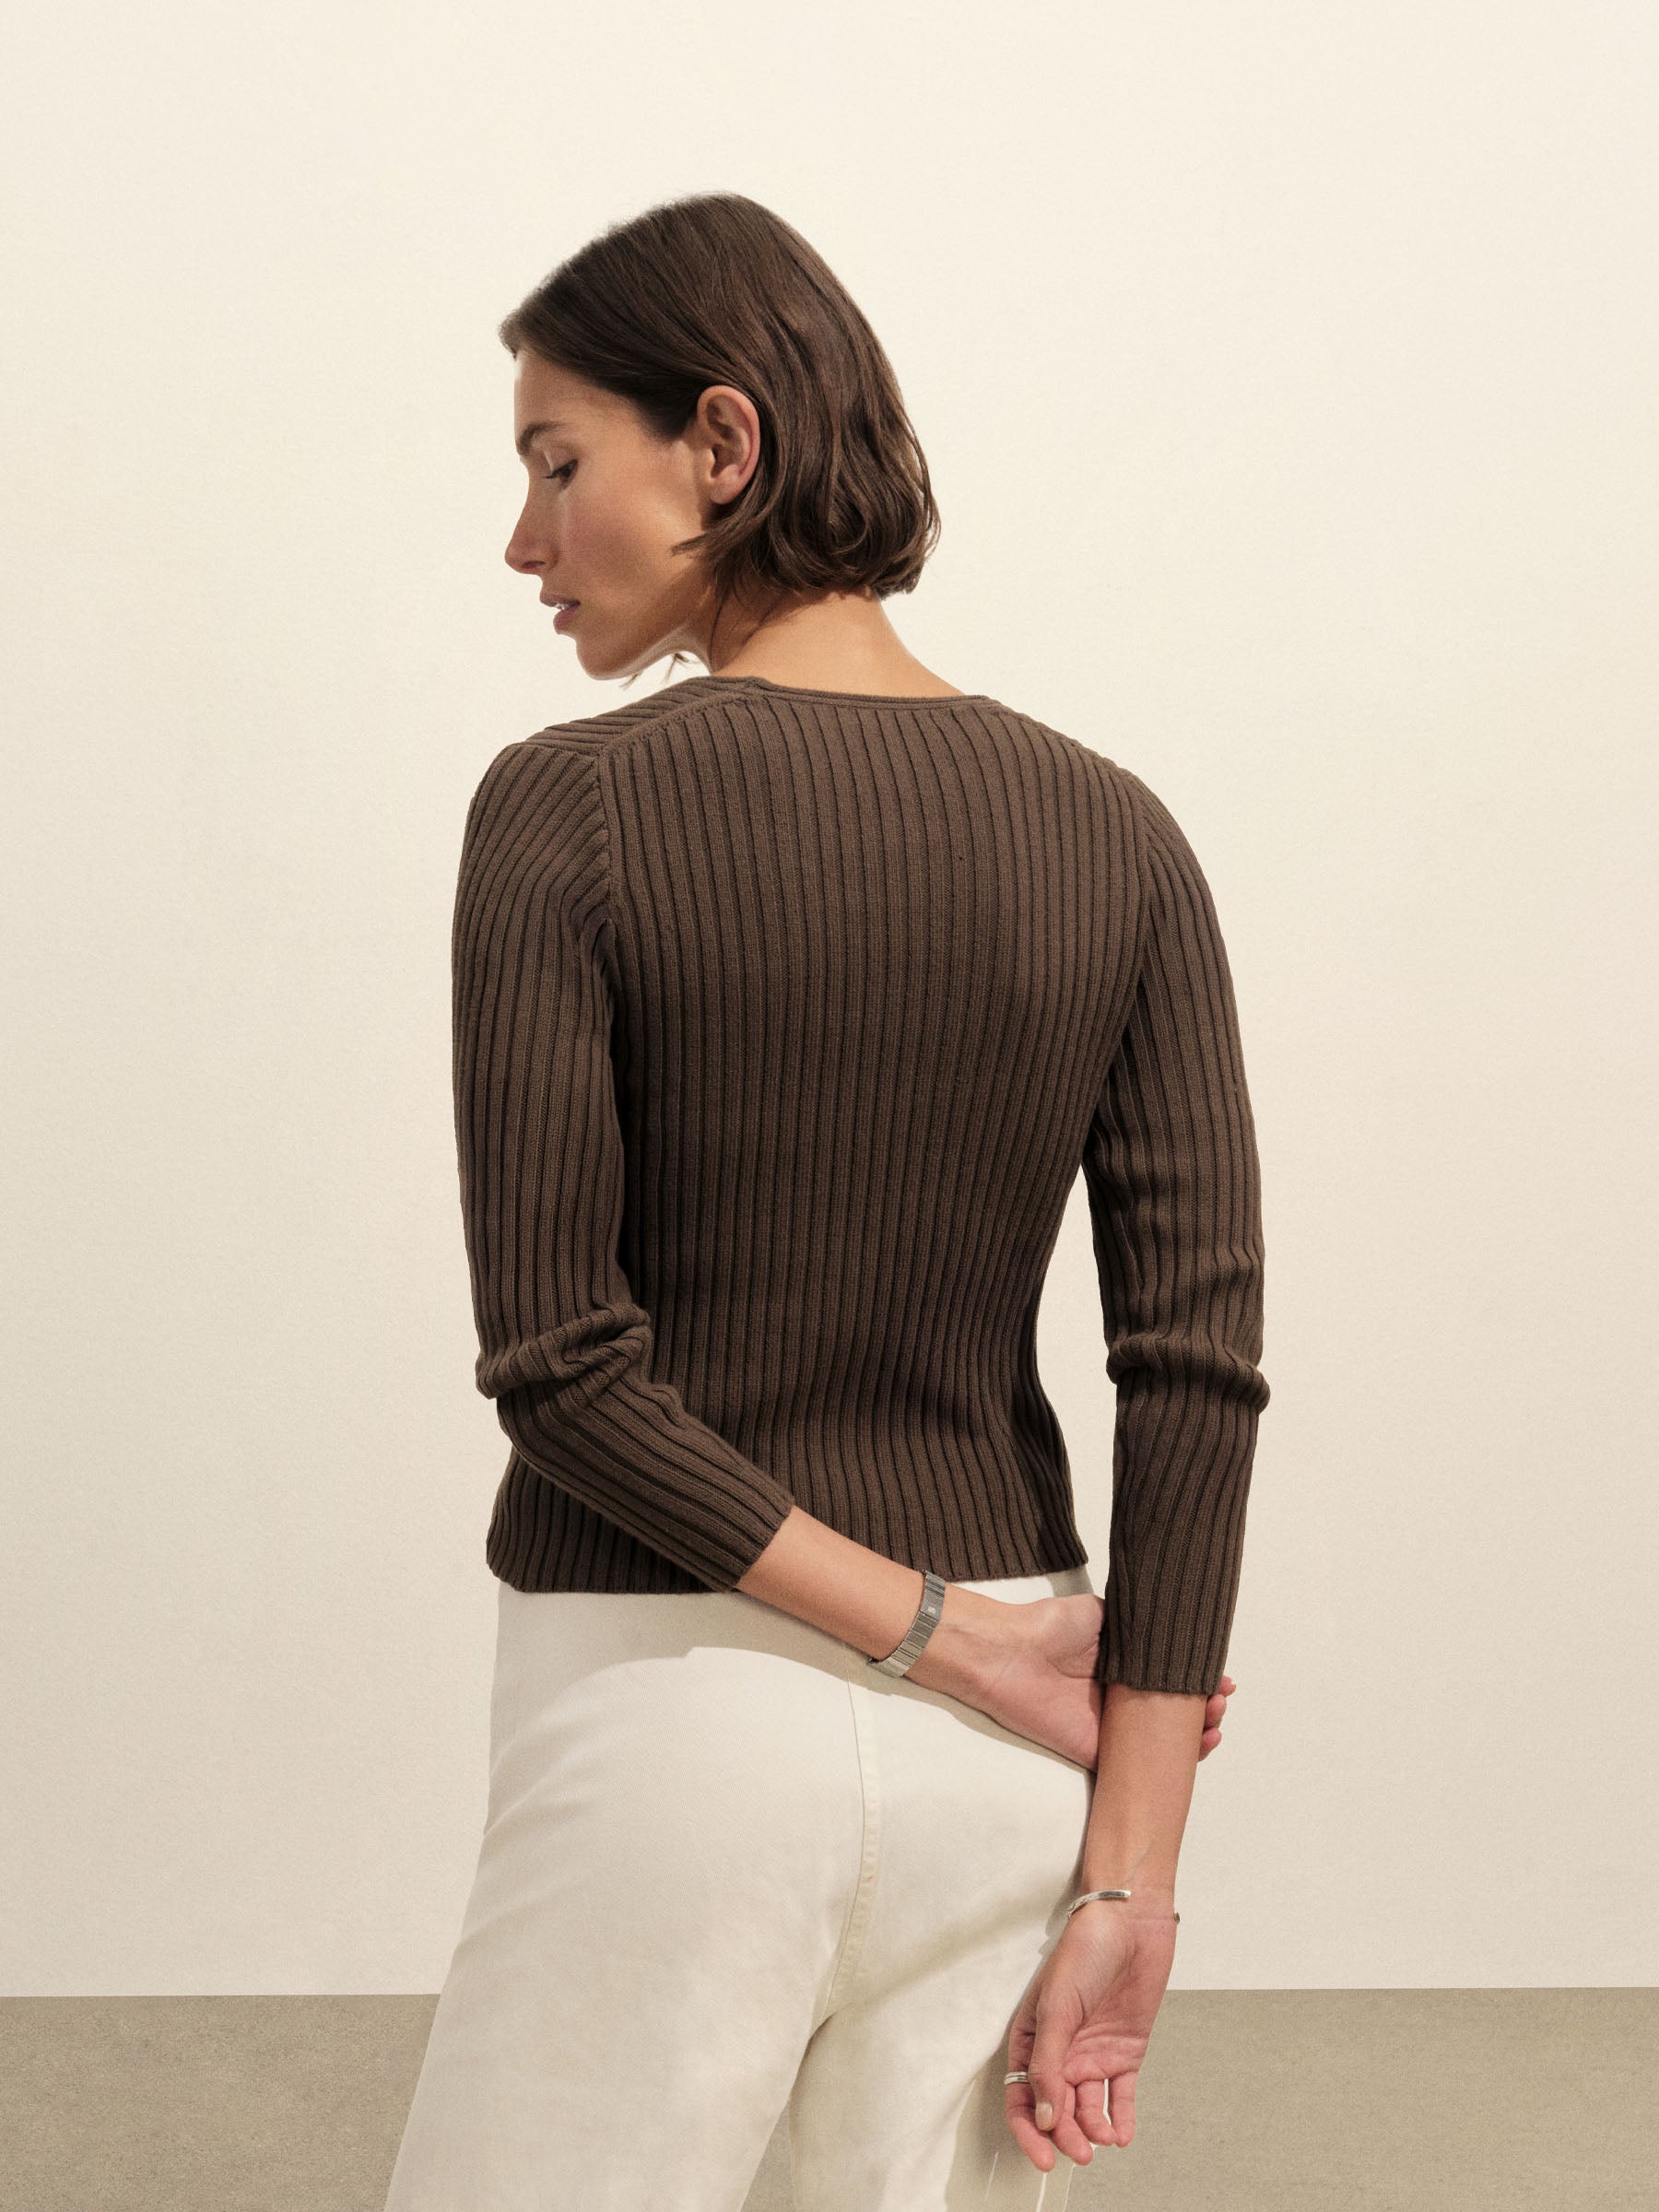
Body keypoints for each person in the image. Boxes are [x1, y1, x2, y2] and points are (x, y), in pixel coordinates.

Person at [382, 191, 1269, 2212]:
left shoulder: (567, 807)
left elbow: (564, 1369)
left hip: (680, 1709)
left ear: (722, 442)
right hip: (1023, 1770)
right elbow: (1195, 1377)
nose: (524, 539)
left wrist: (945, 1643)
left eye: (554, 463)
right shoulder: (1120, 833)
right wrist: (1132, 1875)